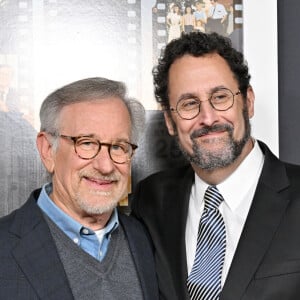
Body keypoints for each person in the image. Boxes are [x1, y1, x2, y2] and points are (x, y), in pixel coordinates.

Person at [131, 31, 300, 300]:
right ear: (169, 121)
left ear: (249, 101)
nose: (208, 118)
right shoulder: (150, 200)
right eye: (189, 104)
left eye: (220, 97)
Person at [0, 77, 159, 299]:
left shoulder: (143, 238)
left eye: (118, 146)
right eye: (86, 143)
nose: (105, 165)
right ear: (48, 150)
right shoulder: (5, 247)